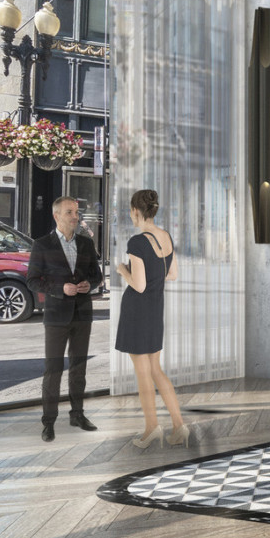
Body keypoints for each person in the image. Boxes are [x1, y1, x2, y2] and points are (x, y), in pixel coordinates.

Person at [114, 189, 189, 449]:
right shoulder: (165, 237)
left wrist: (123, 270)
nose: (130, 215)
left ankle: (151, 429)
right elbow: (173, 274)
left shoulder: (137, 242)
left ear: (136, 210)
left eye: (130, 210)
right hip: (156, 310)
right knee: (156, 369)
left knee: (143, 373)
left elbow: (139, 284)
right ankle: (179, 426)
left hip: (137, 311)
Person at [26, 196, 103, 442]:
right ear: (56, 215)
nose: (75, 217)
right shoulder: (42, 244)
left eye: (76, 212)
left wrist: (87, 285)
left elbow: (97, 276)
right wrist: (61, 289)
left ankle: (77, 414)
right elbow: (33, 280)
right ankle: (48, 422)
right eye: (70, 212)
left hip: (82, 314)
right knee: (53, 370)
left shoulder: (86, 243)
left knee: (79, 369)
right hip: (56, 316)